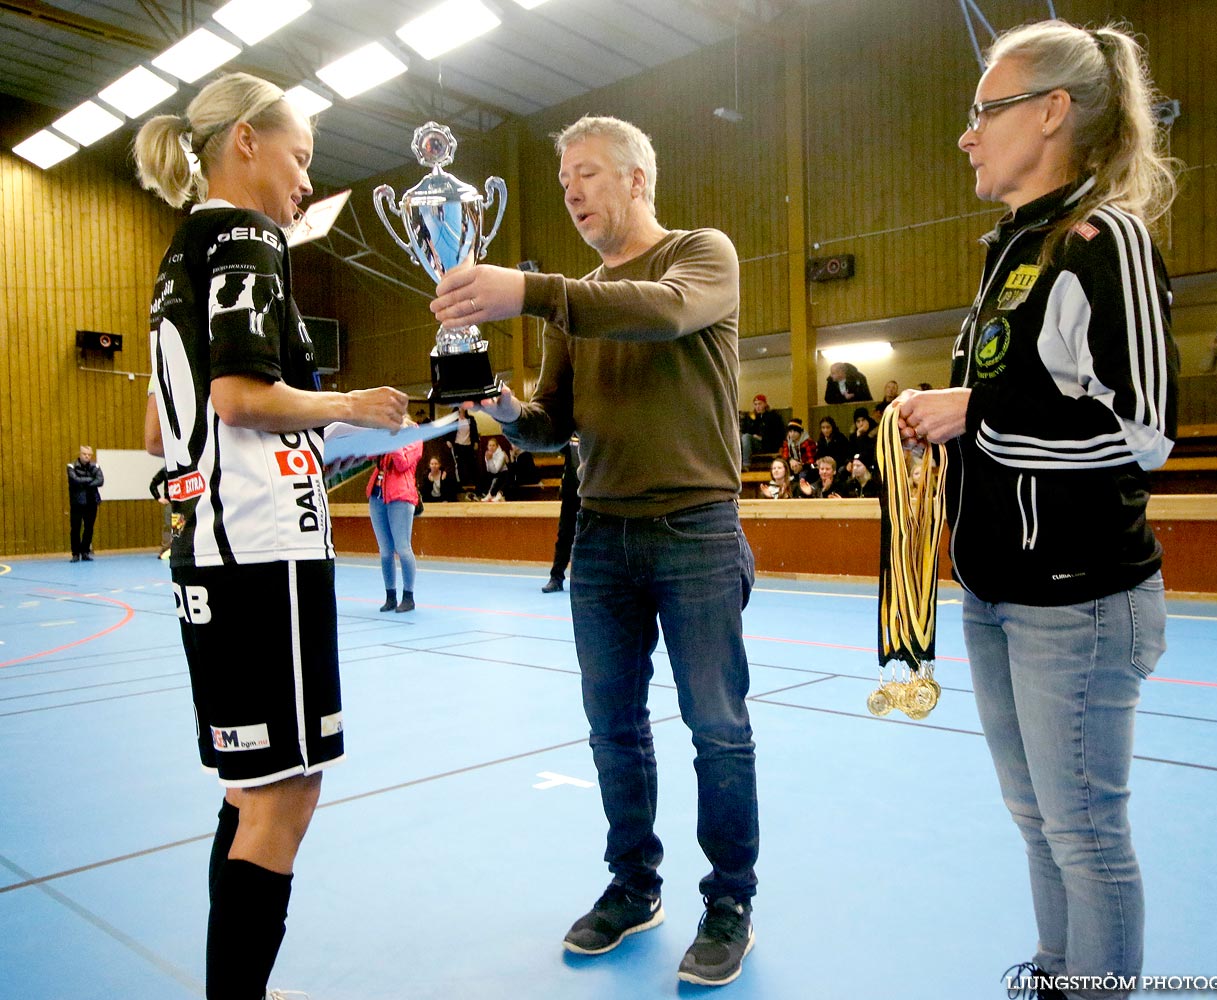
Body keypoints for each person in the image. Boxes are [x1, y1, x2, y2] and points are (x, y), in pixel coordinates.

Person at [431, 114, 759, 987]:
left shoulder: (701, 255)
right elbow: (553, 424)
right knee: (613, 730)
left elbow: (665, 314)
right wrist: (499, 405)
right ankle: (633, 885)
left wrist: (532, 289)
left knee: (717, 731)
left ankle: (730, 900)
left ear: (636, 179)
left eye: (587, 174)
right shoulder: (571, 303)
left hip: (696, 528)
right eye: (565, 178)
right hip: (603, 538)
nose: (571, 191)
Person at [895, 21, 1178, 998]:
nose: (968, 135)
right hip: (1000, 592)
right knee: (1038, 818)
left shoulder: (1105, 239)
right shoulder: (1011, 251)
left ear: (1052, 112)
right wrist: (944, 429)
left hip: (1081, 598)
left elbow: (1145, 425)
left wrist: (973, 410)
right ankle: (1059, 972)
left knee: (1086, 829)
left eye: (986, 111)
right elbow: (1023, 410)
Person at [134, 72, 407, 1000]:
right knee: (290, 792)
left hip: (209, 545)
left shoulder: (183, 251)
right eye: (300, 158)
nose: (303, 182)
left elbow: (160, 428)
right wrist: (352, 405)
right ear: (245, 140)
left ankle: (234, 988)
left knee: (251, 788)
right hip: (263, 552)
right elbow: (242, 398)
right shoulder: (248, 238)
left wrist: (313, 438)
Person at [367, 429, 423, 613]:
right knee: (385, 551)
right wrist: (380, 435)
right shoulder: (384, 432)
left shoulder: (414, 436)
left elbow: (402, 463)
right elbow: (370, 454)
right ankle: (390, 596)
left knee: (403, 548)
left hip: (400, 496)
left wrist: (394, 439)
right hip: (377, 495)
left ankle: (408, 597)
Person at [544, 434, 581, 592]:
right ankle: (556, 577)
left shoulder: (596, 433)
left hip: (593, 493)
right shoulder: (569, 437)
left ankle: (590, 581)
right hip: (571, 493)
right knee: (564, 535)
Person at [67, 444, 103, 562]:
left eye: (89, 454)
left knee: (89, 528)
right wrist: (90, 480)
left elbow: (100, 480)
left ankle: (85, 552)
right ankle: (75, 553)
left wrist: (84, 482)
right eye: (84, 454)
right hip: (77, 502)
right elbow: (75, 480)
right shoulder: (71, 466)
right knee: (76, 528)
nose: (87, 456)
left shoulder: (95, 466)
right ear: (80, 454)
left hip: (92, 502)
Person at [739, 393, 784, 467]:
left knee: (746, 437)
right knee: (742, 437)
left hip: (768, 444)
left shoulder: (773, 417)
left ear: (765, 404)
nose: (757, 407)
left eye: (760, 404)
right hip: (755, 444)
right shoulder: (753, 418)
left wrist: (762, 438)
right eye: (755, 404)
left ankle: (746, 465)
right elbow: (747, 431)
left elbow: (778, 434)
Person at [451, 406, 480, 492]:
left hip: (468, 444)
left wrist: (476, 442)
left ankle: (473, 483)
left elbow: (474, 431)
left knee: (471, 464)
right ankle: (462, 483)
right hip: (458, 444)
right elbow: (449, 432)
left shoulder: (470, 418)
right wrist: (448, 440)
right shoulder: (455, 419)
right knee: (460, 464)